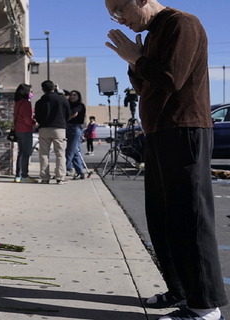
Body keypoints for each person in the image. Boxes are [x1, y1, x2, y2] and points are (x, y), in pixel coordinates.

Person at [105, 0, 228, 319]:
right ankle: (180, 291)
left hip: (184, 128)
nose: (119, 20)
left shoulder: (182, 24)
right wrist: (135, 63)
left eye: (120, 10)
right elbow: (146, 86)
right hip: (159, 131)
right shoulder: (153, 33)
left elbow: (172, 78)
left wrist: (137, 59)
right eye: (112, 14)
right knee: (161, 218)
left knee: (190, 217)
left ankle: (204, 308)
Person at [34, 80, 71, 185]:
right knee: (60, 153)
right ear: (54, 88)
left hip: (44, 128)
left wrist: (43, 123)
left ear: (43, 89)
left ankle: (45, 177)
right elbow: (68, 114)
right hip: (59, 128)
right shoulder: (63, 100)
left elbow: (38, 117)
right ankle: (60, 177)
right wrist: (63, 122)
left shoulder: (39, 102)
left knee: (44, 154)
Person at [12, 84, 38, 183]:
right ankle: (24, 175)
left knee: (21, 153)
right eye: (30, 91)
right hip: (26, 130)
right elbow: (27, 118)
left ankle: (18, 176)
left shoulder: (18, 102)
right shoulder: (26, 103)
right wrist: (33, 123)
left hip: (18, 130)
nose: (31, 93)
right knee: (26, 153)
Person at [65, 90, 86, 179]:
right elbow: (66, 114)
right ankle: (80, 171)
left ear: (78, 96)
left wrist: (68, 117)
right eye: (70, 95)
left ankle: (63, 169)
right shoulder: (67, 104)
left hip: (76, 129)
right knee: (75, 150)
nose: (72, 96)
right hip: (67, 128)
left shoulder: (80, 106)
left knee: (70, 150)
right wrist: (68, 117)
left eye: (74, 95)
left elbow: (73, 113)